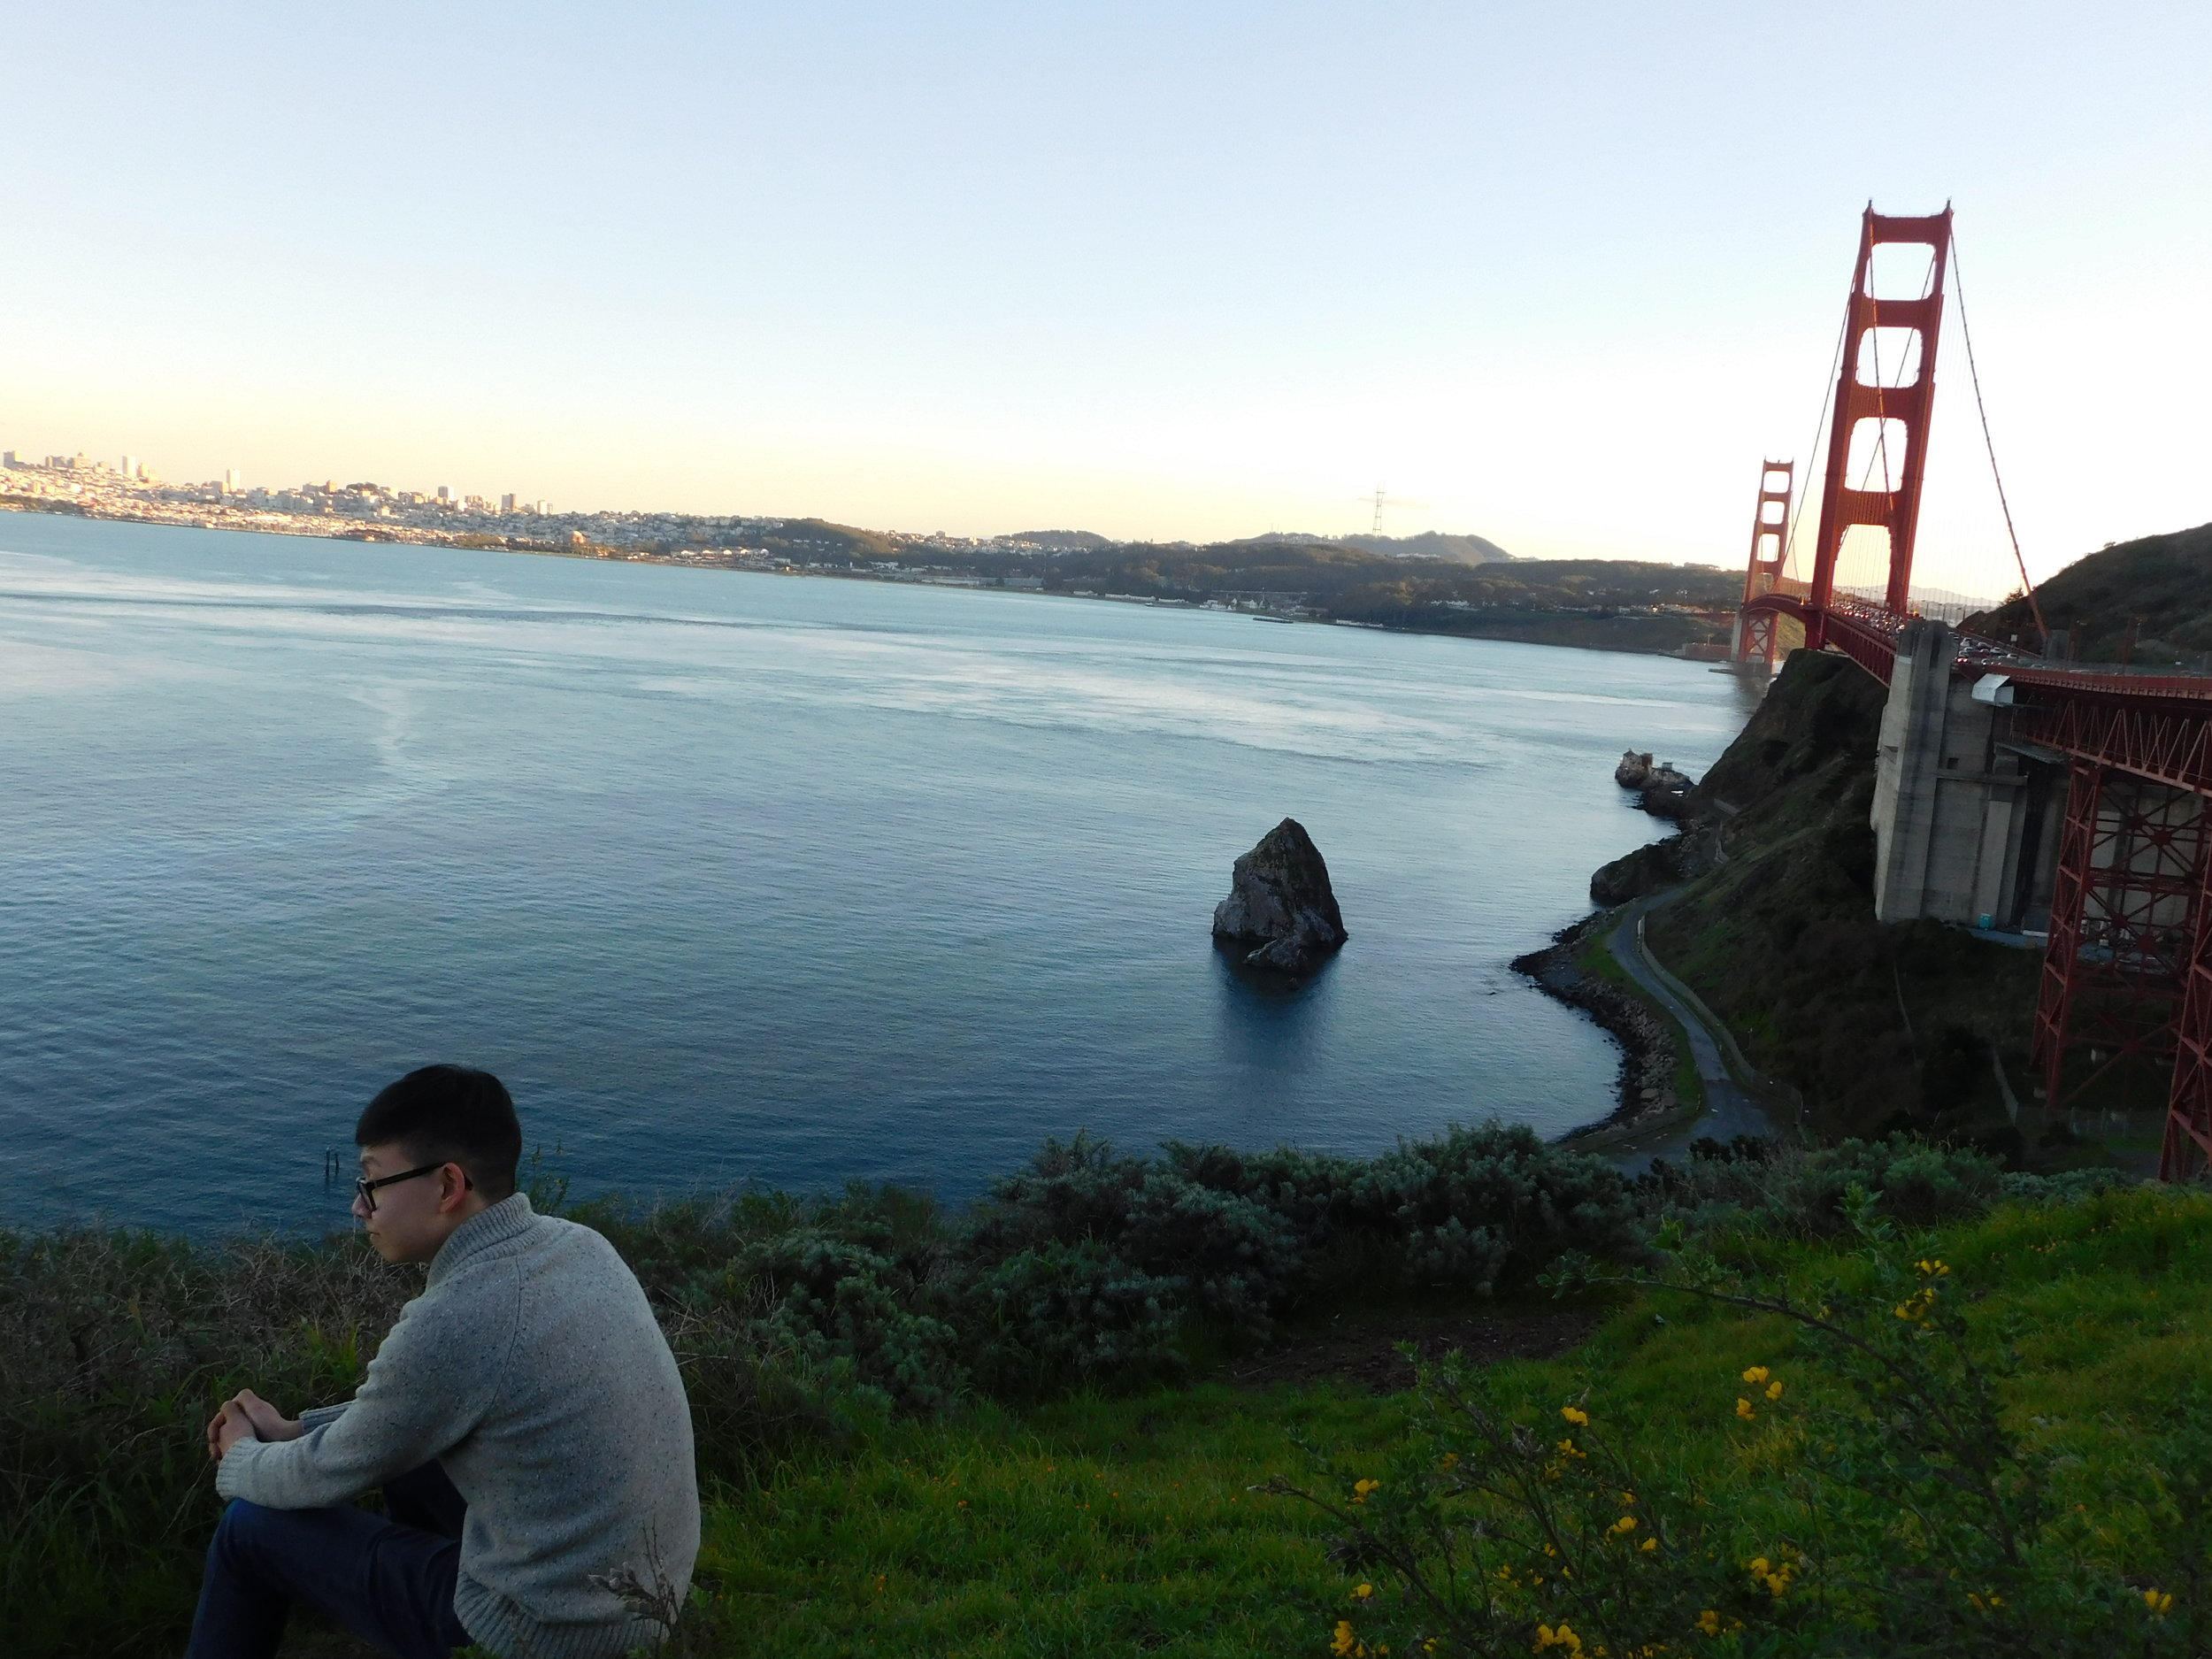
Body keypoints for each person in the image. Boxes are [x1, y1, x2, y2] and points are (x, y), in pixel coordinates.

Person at [188, 1065, 700, 1659]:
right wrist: (296, 1429)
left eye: (373, 1182)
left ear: (447, 1185)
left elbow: (321, 1475)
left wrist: (242, 1456)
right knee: (409, 1457)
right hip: (644, 1597)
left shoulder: (461, 1315)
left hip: (547, 1632)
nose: (358, 1206)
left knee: (250, 1529)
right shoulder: (578, 1244)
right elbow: (409, 1413)